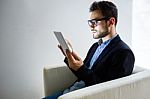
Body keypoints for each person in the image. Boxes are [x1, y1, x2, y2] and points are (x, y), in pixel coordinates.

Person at [43, 1, 135, 99]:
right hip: (69, 92)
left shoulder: (124, 53)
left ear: (111, 22)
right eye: (90, 22)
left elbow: (108, 91)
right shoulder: (95, 46)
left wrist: (81, 68)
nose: (91, 26)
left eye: (95, 22)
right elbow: (84, 74)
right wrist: (70, 56)